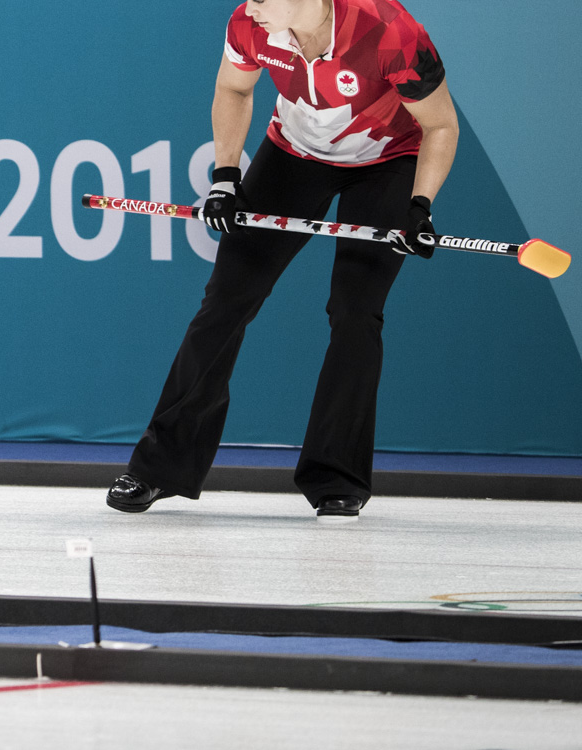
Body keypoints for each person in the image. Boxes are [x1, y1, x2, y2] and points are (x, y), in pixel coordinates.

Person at [107, 0, 457, 519]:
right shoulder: (250, 24)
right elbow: (234, 88)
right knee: (225, 300)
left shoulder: (390, 32)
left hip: (388, 161)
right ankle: (160, 468)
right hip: (293, 153)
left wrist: (419, 206)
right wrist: (226, 176)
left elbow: (441, 126)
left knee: (355, 311)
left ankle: (337, 479)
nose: (250, 5)